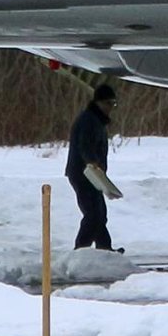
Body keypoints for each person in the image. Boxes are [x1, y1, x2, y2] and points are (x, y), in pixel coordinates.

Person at [65, 75, 124, 254]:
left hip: (93, 174)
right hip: (83, 174)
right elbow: (85, 145)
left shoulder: (97, 121)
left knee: (100, 215)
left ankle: (105, 250)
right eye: (108, 103)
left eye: (113, 104)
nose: (110, 108)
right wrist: (93, 163)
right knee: (93, 214)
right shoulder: (88, 120)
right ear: (98, 102)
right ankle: (80, 250)